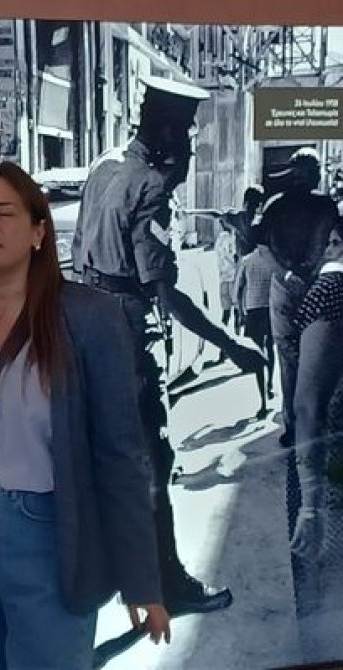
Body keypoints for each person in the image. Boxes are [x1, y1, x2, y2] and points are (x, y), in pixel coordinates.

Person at [0, 162, 169, 669]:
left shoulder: (89, 316)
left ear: (39, 231)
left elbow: (120, 455)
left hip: (45, 530)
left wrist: (140, 579)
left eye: (4, 213)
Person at [73, 75, 265, 619]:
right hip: (127, 341)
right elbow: (166, 293)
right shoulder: (152, 187)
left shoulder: (105, 165)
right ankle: (166, 585)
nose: (189, 145)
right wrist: (232, 344)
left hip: (88, 334)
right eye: (185, 132)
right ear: (165, 132)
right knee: (154, 464)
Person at [258, 148, 338, 448]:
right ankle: (314, 424)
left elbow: (261, 247)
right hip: (317, 285)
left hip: (284, 287)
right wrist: (314, 271)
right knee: (319, 356)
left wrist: (287, 273)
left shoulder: (275, 205)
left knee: (289, 357)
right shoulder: (327, 205)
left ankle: (294, 426)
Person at [288, 221, 343, 655]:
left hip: (330, 481)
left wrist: (310, 503)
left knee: (325, 606)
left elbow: (307, 405)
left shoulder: (329, 290)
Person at [234, 242, 281, 419]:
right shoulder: (274, 260)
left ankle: (263, 401)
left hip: (253, 310)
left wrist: (241, 311)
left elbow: (237, 290)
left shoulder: (247, 261)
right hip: (271, 308)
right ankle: (270, 385)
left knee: (258, 351)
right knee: (271, 348)